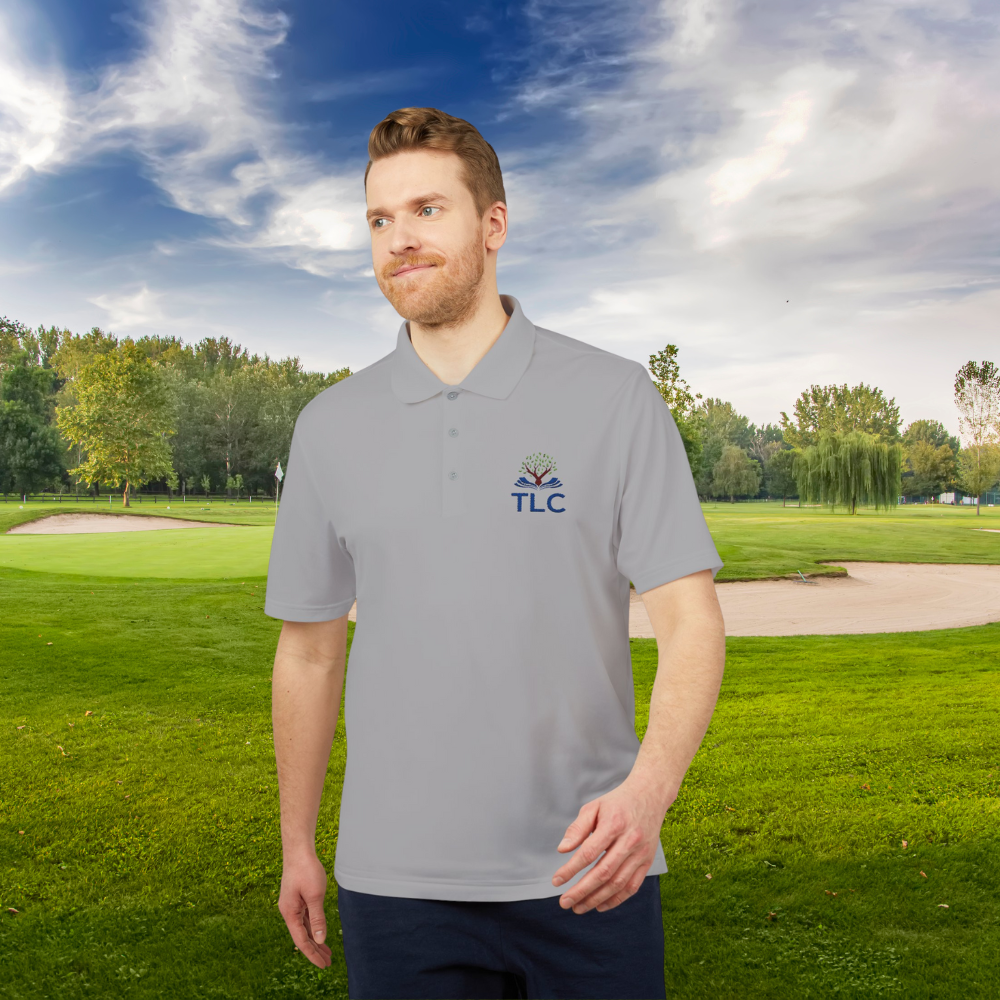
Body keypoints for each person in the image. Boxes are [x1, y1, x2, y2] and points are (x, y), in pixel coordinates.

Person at [265, 107, 727, 1000]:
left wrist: (648, 795)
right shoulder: (329, 427)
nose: (399, 240)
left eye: (427, 211)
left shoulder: (615, 397)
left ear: (494, 224)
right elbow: (310, 650)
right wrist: (296, 843)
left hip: (591, 871)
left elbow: (691, 619)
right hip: (393, 883)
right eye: (379, 220)